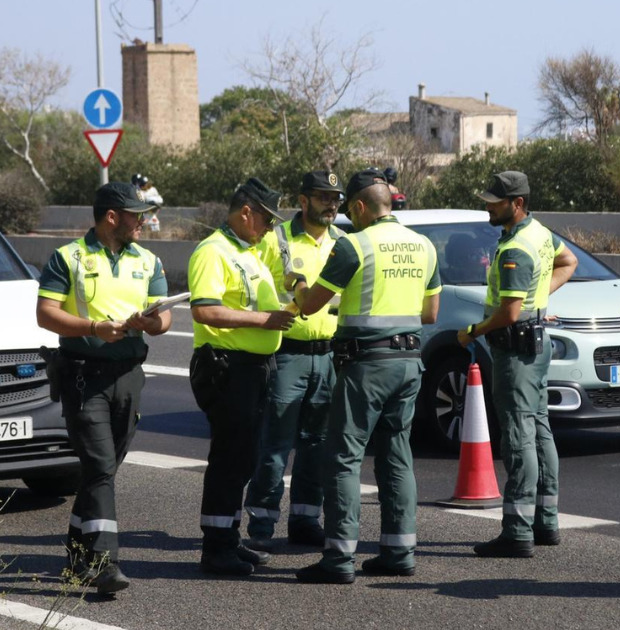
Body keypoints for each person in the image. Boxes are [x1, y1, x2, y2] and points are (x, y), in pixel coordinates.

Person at [290, 168, 441, 584]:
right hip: (410, 363)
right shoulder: (424, 246)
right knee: (396, 455)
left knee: (343, 457)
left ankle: (338, 558)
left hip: (365, 365)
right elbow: (430, 314)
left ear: (359, 207)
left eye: (349, 210)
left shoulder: (354, 245)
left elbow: (309, 305)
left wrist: (298, 285)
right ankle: (399, 551)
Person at [35, 181, 173, 594]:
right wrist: (96, 328)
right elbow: (46, 314)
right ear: (112, 216)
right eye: (136, 215)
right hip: (83, 376)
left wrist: (152, 323)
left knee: (104, 471)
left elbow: (165, 319)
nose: (143, 222)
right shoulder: (67, 258)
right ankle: (103, 564)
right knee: (98, 467)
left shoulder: (148, 260)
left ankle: (78, 555)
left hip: (129, 375)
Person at [455, 171, 578, 558]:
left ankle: (518, 531)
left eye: (495, 201)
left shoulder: (516, 250)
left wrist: (473, 330)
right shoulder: (539, 233)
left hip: (516, 349)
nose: (488, 206)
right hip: (535, 342)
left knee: (518, 435)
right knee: (538, 429)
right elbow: (568, 260)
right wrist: (539, 299)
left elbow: (508, 313)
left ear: (518, 203)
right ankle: (546, 521)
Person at [187, 177, 296, 577]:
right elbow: (206, 310)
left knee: (244, 457)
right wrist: (266, 319)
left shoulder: (246, 251)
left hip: (253, 367)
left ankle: (229, 541)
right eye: (266, 218)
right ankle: (216, 549)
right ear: (246, 212)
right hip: (228, 366)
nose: (270, 227)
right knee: (230, 460)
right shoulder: (213, 251)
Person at [243, 170, 346, 551]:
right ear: (303, 201)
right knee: (275, 445)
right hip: (288, 355)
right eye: (323, 197)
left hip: (329, 356)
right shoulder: (278, 238)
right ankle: (261, 525)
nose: (332, 204)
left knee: (317, 444)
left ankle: (305, 519)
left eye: (335, 198)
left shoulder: (344, 242)